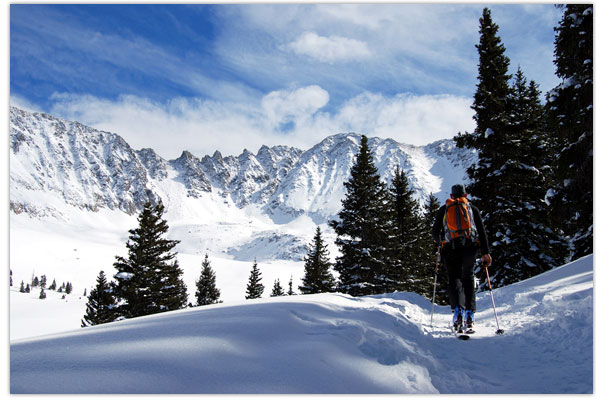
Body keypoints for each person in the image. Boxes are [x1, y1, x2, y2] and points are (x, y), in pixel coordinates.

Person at [432, 184, 492, 332]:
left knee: (454, 278)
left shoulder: (445, 209)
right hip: (470, 248)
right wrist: (485, 252)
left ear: (451, 196)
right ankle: (470, 313)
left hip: (450, 248)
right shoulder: (472, 208)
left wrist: (441, 243)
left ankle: (457, 310)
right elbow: (482, 231)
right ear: (465, 195)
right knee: (468, 277)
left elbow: (435, 231)